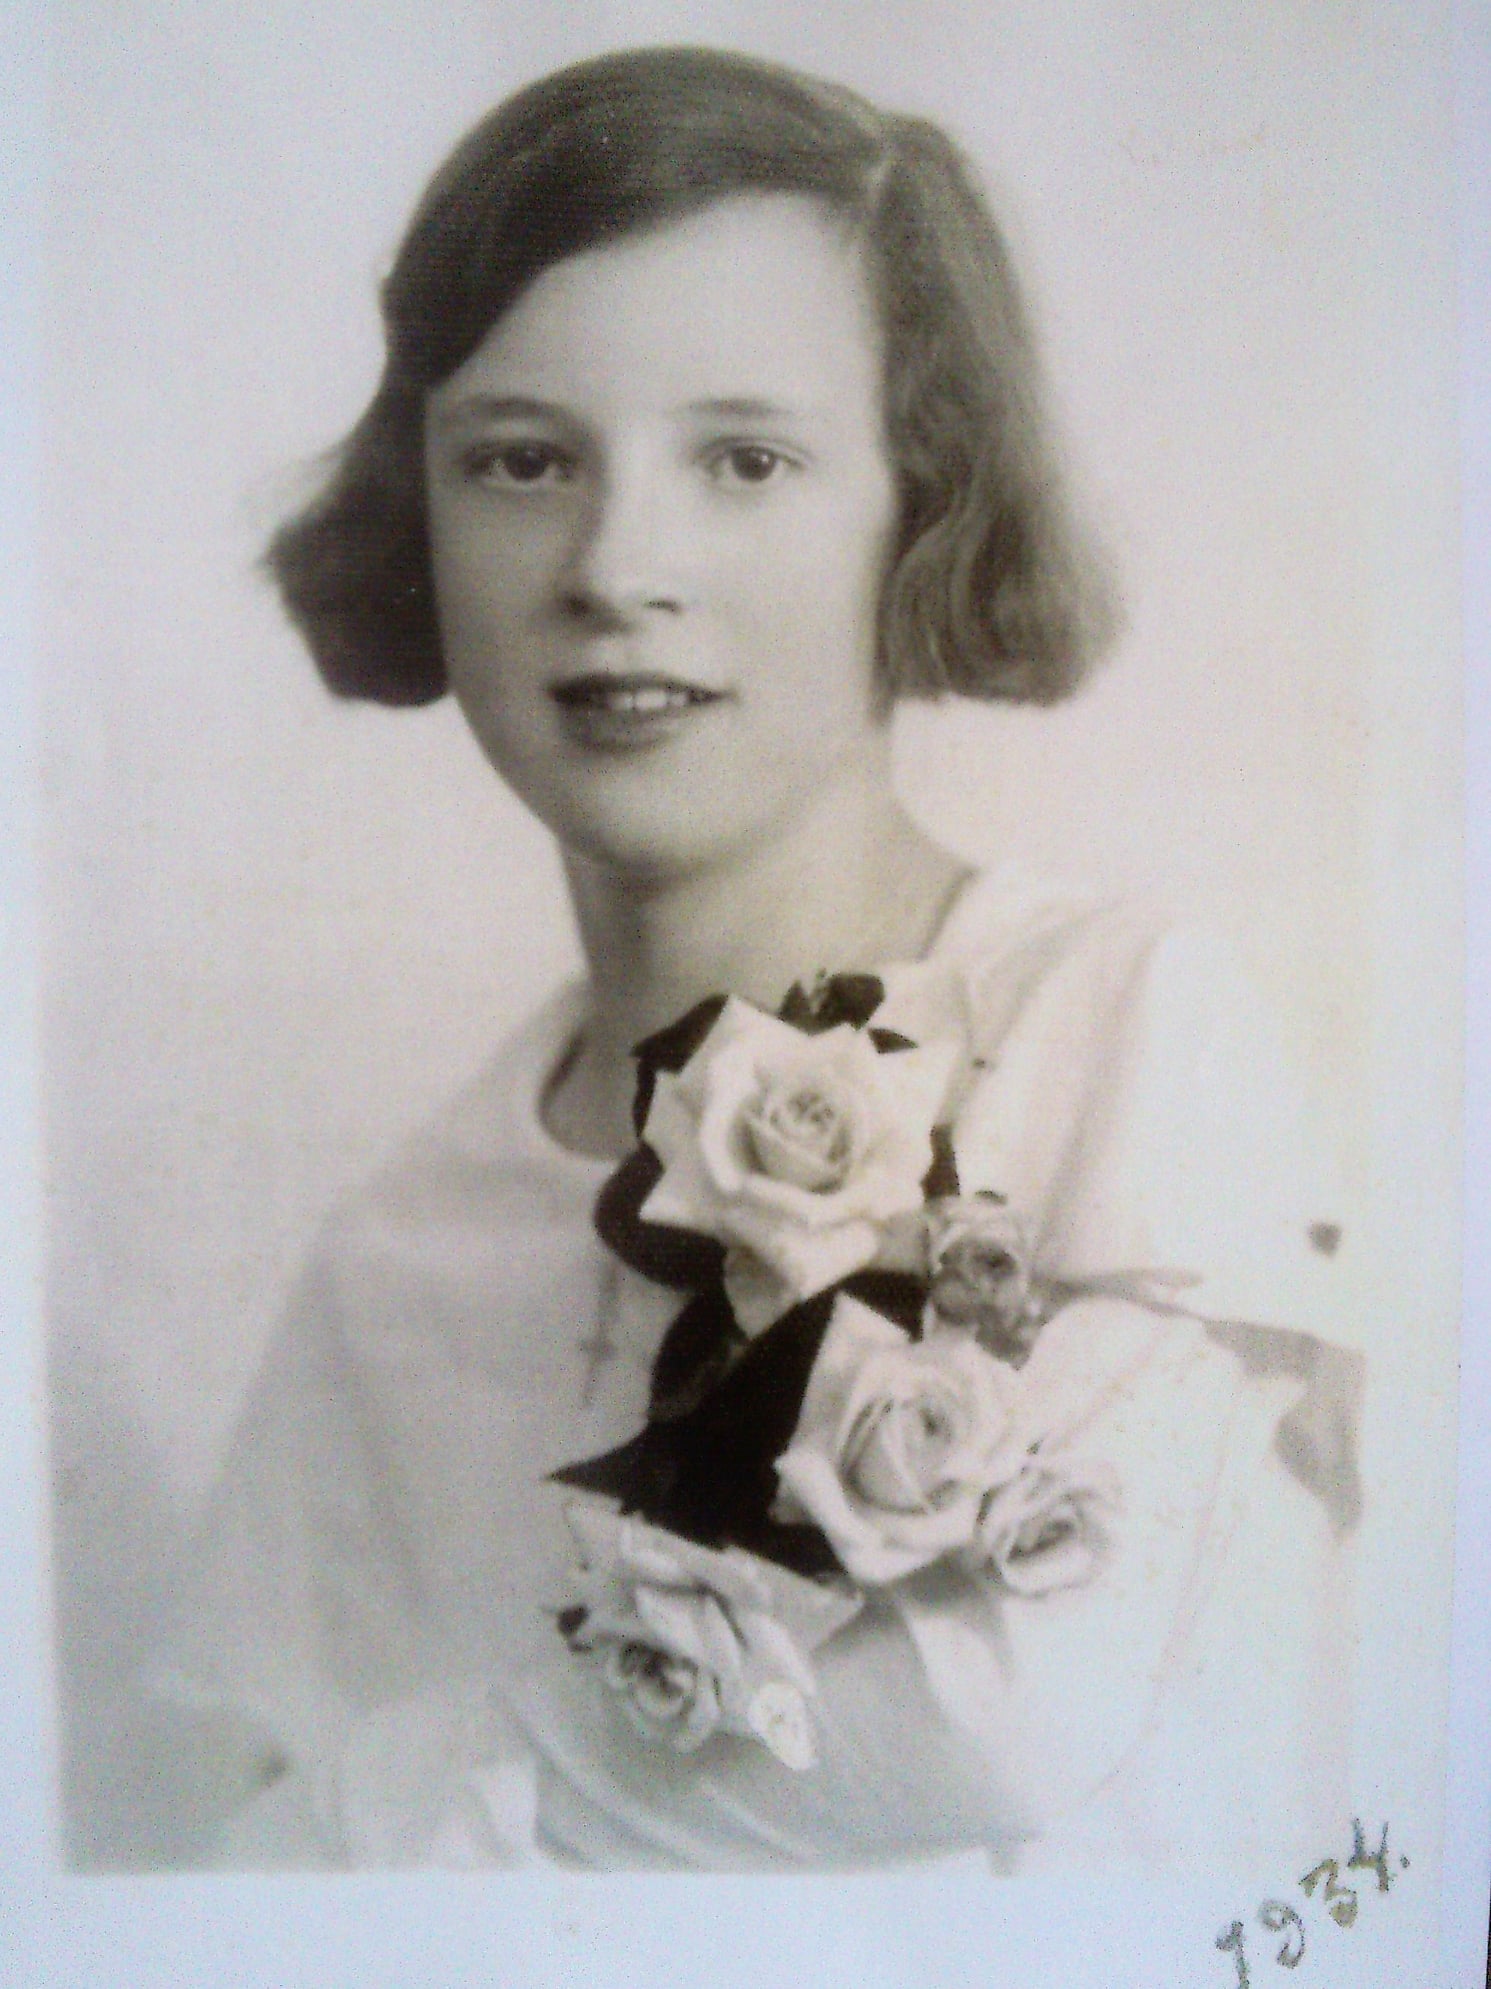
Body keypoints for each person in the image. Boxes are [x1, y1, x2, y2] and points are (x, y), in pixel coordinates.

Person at [162, 45, 1364, 1871]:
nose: (616, 565)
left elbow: (995, 1719)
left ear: (924, 505)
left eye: (746, 459)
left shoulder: (1126, 1034)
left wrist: (377, 1819)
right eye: (521, 460)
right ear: (421, 512)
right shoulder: (396, 1251)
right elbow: (217, 1881)